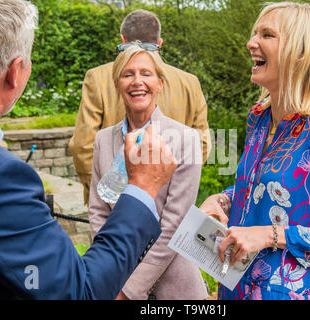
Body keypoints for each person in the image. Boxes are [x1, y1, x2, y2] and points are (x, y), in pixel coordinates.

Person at [0, 0, 177, 299]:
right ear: (16, 71)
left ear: (161, 83)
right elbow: (76, 292)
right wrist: (141, 189)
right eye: (128, 74)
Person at [199, 2, 310, 300]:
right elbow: (262, 188)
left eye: (267, 35)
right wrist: (223, 200)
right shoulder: (259, 117)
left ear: (301, 52)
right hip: (232, 289)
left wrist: (271, 235)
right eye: (255, 33)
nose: (250, 42)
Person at [88, 43, 208, 300]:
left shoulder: (186, 139)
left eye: (146, 73)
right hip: (114, 278)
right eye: (128, 74)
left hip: (174, 285)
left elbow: (175, 224)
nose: (137, 81)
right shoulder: (102, 140)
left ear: (160, 83)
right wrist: (109, 272)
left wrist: (128, 290)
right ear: (117, 84)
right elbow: (98, 212)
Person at [68, 9, 211, 205]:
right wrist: (175, 188)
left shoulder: (98, 77)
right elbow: (201, 145)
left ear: (122, 39)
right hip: (173, 203)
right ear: (160, 43)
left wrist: (108, 196)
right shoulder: (190, 82)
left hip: (113, 207)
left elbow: (82, 146)